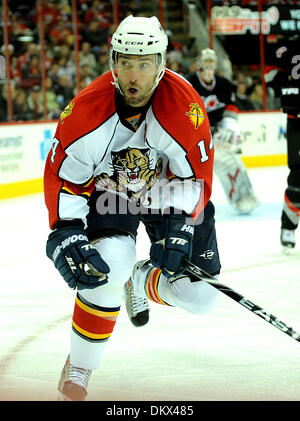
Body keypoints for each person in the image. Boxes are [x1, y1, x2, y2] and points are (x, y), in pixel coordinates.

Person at [44, 15, 221, 401]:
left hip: (167, 193)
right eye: (126, 62)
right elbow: (64, 177)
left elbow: (195, 179)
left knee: (202, 296)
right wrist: (65, 229)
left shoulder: (186, 107)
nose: (134, 76)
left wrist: (180, 226)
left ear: (161, 64)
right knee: (107, 265)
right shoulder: (86, 111)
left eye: (144, 64)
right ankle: (80, 367)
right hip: (114, 192)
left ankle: (140, 280)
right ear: (113, 62)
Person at [186, 48, 259, 214]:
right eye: (206, 61)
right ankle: (186, 204)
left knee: (232, 163)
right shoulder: (189, 84)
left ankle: (242, 198)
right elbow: (183, 113)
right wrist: (203, 130)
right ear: (199, 64)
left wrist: (229, 128)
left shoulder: (224, 84)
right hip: (195, 136)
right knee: (192, 172)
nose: (209, 66)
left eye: (212, 62)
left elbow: (231, 109)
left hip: (217, 134)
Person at [264, 34, 300, 252]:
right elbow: (270, 73)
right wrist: (288, 96)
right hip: (297, 121)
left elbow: (270, 76)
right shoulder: (289, 46)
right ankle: (288, 227)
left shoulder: (288, 45)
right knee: (297, 177)